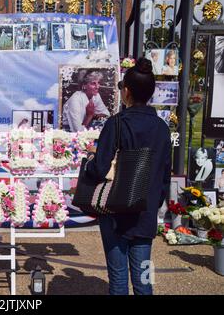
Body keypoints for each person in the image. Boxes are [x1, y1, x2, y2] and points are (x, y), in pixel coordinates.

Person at [85, 57, 171, 295]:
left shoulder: (116, 124)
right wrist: (153, 204)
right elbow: (165, 175)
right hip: (145, 214)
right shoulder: (162, 129)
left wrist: (89, 162)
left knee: (118, 278)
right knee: (144, 281)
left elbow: (100, 168)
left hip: (115, 213)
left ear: (127, 92)